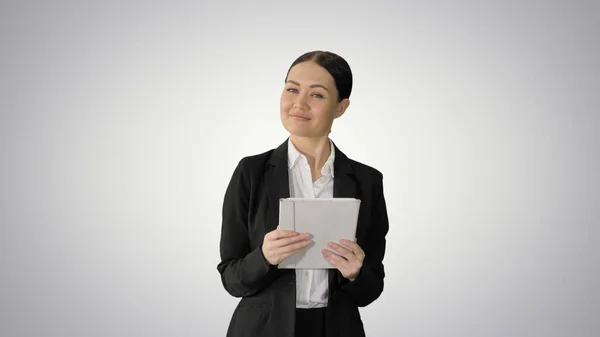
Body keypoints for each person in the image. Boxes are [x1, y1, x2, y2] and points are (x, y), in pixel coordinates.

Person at [217, 50, 389, 337]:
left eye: (317, 95)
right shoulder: (251, 172)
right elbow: (232, 279)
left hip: (336, 329)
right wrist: (264, 257)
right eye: (292, 89)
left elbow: (371, 290)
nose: (299, 103)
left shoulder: (367, 180)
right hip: (263, 330)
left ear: (340, 107)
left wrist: (355, 273)